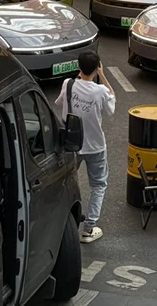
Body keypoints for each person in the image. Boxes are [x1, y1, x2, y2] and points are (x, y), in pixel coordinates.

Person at [54, 51, 115, 244]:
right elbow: (111, 107)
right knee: (98, 185)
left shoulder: (68, 84)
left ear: (78, 66)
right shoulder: (100, 91)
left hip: (72, 144)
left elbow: (59, 103)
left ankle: (62, 222)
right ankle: (89, 228)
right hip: (95, 146)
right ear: (97, 68)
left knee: (66, 181)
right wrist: (103, 76)